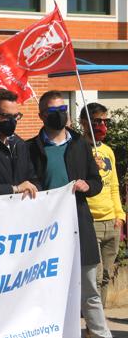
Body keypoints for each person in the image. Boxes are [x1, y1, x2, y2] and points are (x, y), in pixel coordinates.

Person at [28, 90, 110, 338]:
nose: (60, 115)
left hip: (79, 227)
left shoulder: (80, 144)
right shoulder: (30, 148)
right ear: (41, 115)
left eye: (63, 110)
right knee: (49, 290)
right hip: (46, 233)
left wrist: (88, 185)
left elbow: (96, 182)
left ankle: (99, 333)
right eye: (54, 111)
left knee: (90, 291)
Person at [80, 102, 125, 307]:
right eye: (97, 121)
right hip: (91, 222)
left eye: (105, 121)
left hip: (112, 223)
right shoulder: (77, 149)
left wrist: (120, 215)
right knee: (94, 278)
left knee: (106, 276)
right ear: (84, 123)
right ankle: (93, 326)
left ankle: (100, 320)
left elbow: (114, 185)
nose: (102, 126)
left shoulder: (107, 150)